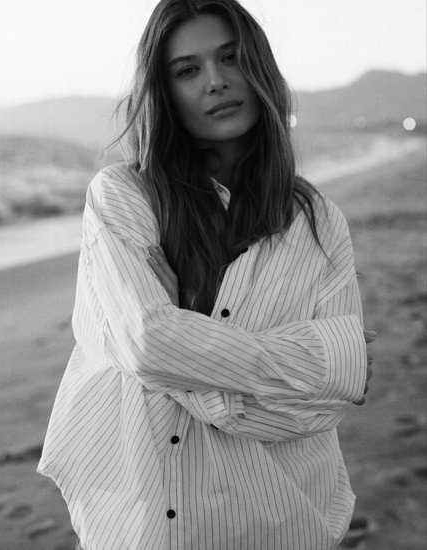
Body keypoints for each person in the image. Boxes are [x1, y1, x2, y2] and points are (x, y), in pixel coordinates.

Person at [38, 0, 375, 548]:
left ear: (259, 66)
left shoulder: (317, 220)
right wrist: (317, 361)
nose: (215, 81)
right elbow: (147, 341)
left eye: (231, 57)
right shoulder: (123, 197)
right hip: (152, 522)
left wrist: (187, 351)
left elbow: (329, 404)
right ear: (164, 91)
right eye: (187, 70)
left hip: (288, 516)